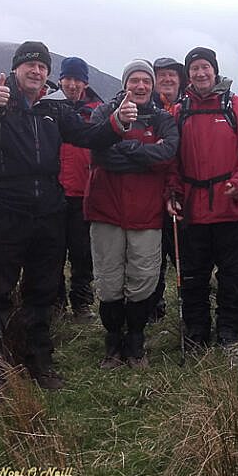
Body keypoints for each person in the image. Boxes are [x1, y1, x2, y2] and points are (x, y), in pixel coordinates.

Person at [0, 41, 134, 400]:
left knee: (42, 291)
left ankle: (39, 362)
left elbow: (87, 137)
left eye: (42, 67)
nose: (36, 72)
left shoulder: (55, 109)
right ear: (16, 69)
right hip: (1, 209)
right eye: (29, 66)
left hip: (47, 212)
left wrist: (117, 123)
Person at [166, 47, 238, 348]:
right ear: (188, 74)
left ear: (215, 70)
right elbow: (172, 160)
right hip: (194, 207)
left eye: (205, 67)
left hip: (232, 205)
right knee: (194, 275)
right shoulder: (179, 111)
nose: (200, 73)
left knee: (232, 274)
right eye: (194, 68)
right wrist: (173, 191)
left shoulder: (234, 105)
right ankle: (196, 330)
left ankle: (228, 328)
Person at [85, 59, 179, 369]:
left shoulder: (163, 117)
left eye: (145, 81)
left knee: (143, 279)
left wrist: (126, 149)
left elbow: (168, 154)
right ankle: (113, 345)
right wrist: (144, 156)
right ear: (125, 83)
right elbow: (98, 151)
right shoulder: (103, 112)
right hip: (106, 209)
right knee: (109, 280)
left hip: (146, 212)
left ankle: (136, 343)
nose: (140, 86)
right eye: (134, 80)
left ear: (152, 86)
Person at [53, 57, 103, 323]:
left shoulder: (98, 110)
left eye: (77, 80)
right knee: (53, 252)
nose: (72, 85)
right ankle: (56, 304)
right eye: (67, 79)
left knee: (83, 254)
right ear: (60, 80)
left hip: (85, 194)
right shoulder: (48, 106)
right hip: (53, 193)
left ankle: (82, 304)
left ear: (85, 82)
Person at [146, 56, 187, 324]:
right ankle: (154, 306)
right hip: (149, 192)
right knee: (153, 255)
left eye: (173, 75)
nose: (168, 80)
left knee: (184, 254)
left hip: (183, 191)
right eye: (162, 76)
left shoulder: (187, 108)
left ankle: (190, 304)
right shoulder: (144, 111)